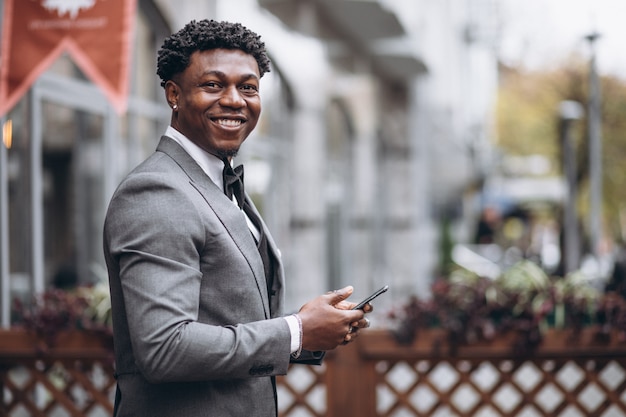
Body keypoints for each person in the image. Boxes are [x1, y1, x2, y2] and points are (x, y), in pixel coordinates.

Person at [103, 19, 371, 417]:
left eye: (248, 87)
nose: (234, 100)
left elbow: (227, 318)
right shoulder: (157, 192)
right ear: (174, 94)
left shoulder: (218, 183)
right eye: (213, 85)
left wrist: (312, 329)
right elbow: (164, 348)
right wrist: (294, 331)